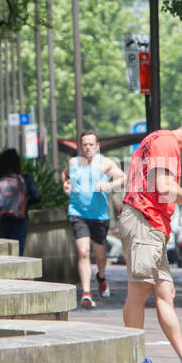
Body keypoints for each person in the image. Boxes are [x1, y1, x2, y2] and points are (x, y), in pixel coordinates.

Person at [120, 118, 182, 363]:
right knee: (138, 290)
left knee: (165, 292)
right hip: (144, 221)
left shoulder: (161, 141)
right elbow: (164, 188)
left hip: (153, 224)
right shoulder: (166, 143)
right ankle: (134, 359)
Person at [62, 129, 125, 308]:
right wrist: (65, 186)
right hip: (77, 213)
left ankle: (101, 276)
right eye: (84, 145)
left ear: (97, 146)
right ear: (80, 146)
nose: (88, 148)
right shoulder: (73, 162)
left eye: (91, 144)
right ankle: (87, 293)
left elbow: (123, 177)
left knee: (100, 255)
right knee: (83, 252)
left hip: (99, 216)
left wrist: (107, 185)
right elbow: (65, 176)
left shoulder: (104, 163)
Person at [0, 148, 42, 255]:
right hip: (20, 220)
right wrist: (25, 204)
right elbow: (37, 197)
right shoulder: (25, 179)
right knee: (18, 252)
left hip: (2, 221)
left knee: (5, 253)